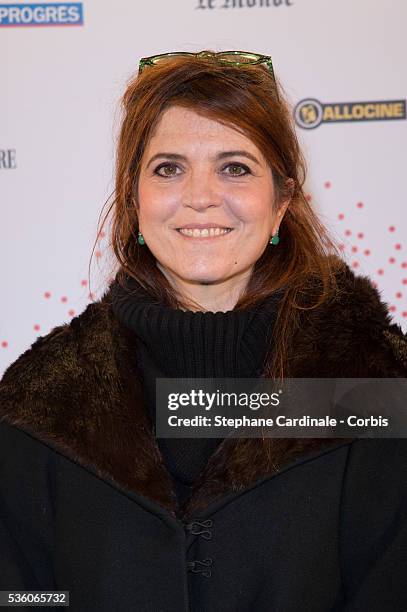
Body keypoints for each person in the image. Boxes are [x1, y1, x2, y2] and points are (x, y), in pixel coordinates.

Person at [1, 50, 407, 612]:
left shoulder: (379, 390)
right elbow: (23, 597)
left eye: (235, 167)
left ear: (282, 200)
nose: (200, 196)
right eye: (168, 168)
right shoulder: (38, 408)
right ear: (133, 197)